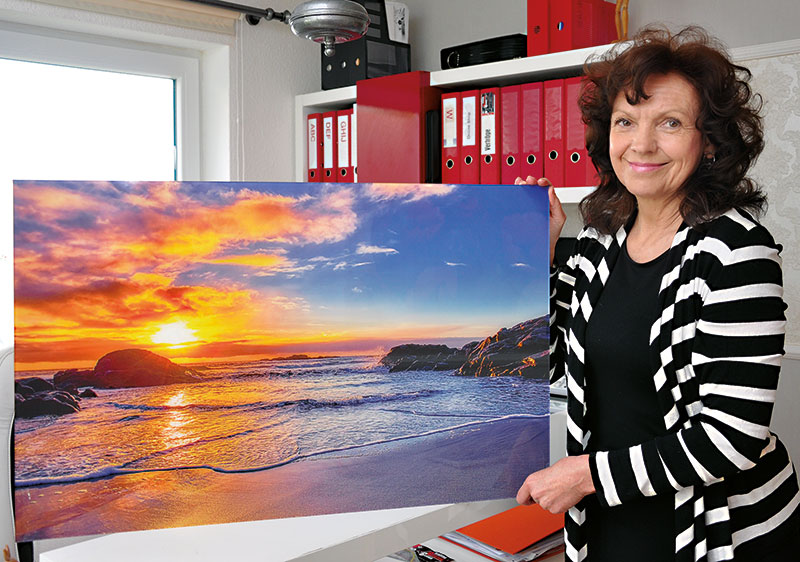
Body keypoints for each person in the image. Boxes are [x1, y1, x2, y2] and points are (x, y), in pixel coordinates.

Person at [515, 26, 800, 561]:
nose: (641, 144)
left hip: (716, 532)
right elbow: (551, 367)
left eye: (669, 123)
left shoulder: (739, 253)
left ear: (709, 141)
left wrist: (586, 474)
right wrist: (543, 250)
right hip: (611, 521)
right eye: (626, 122)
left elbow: (731, 440)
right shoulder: (600, 246)